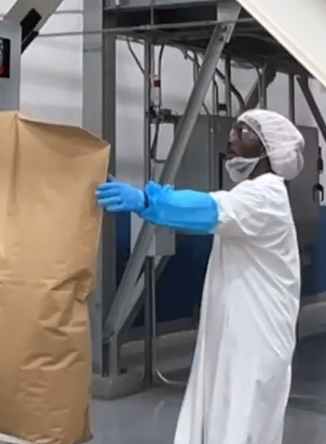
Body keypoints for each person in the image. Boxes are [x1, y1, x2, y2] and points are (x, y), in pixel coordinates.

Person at [96, 109, 304, 444]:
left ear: (269, 148)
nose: (231, 137)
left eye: (244, 131)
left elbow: (208, 209)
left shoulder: (266, 195)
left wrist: (147, 199)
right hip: (240, 331)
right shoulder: (255, 193)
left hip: (257, 337)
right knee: (225, 415)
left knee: (244, 419)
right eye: (232, 128)